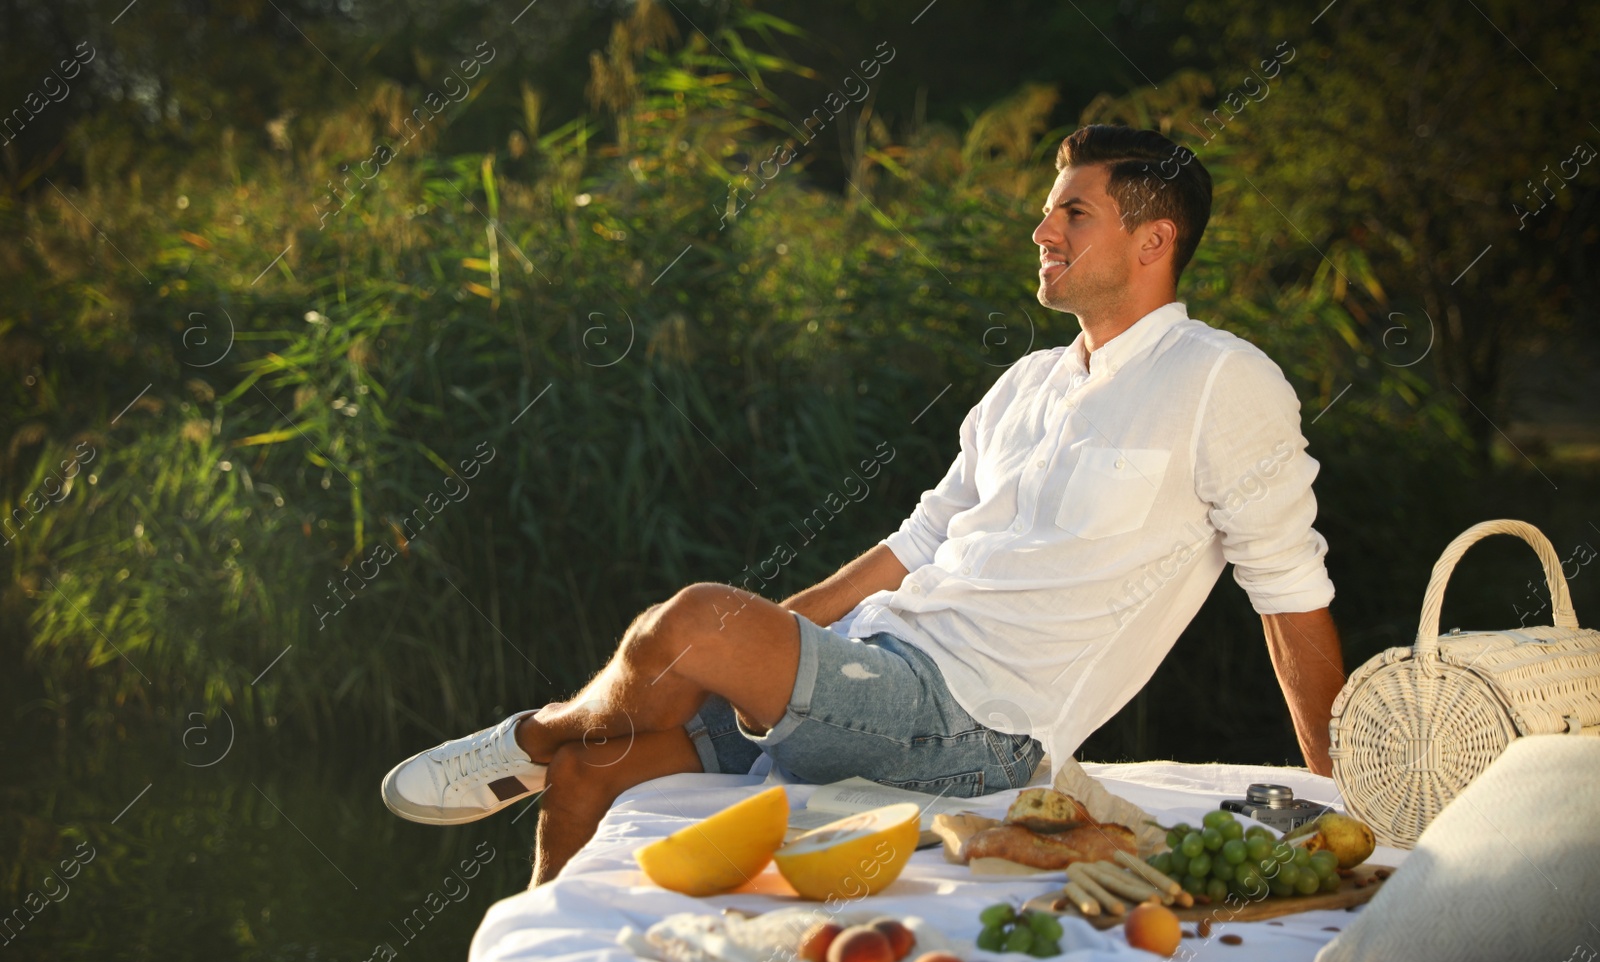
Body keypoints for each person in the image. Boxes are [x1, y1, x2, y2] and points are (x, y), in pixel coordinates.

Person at [381, 124, 1346, 885]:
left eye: (1073, 214)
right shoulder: (1028, 382)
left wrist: (1338, 791)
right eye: (1050, 213)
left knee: (692, 620)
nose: (1042, 232)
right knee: (598, 770)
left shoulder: (1222, 379)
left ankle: (532, 736)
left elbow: (1290, 595)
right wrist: (767, 650)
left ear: (1154, 239)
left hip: (977, 732)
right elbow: (911, 546)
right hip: (872, 674)